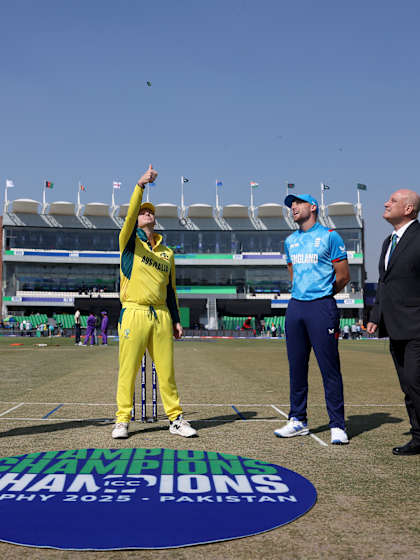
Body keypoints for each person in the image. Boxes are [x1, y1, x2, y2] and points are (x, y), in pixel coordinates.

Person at [112, 165, 197, 439]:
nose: (146, 213)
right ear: (136, 220)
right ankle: (122, 420)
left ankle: (175, 419)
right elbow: (128, 217)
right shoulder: (128, 243)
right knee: (128, 371)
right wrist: (140, 185)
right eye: (142, 211)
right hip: (133, 311)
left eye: (150, 211)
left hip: (160, 315)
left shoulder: (167, 253)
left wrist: (176, 319)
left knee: (167, 372)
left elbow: (171, 290)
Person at [274, 193, 350, 445]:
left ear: (313, 207)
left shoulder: (330, 236)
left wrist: (323, 295)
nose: (293, 207)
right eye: (290, 205)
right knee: (296, 367)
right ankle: (297, 419)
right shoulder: (289, 241)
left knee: (329, 368)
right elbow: (293, 274)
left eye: (298, 203)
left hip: (321, 307)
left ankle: (337, 424)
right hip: (295, 307)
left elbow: (343, 276)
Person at [367, 189, 420, 456]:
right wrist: (376, 316)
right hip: (395, 326)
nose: (386, 203)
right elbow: (384, 282)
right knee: (408, 386)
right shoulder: (389, 241)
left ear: (409, 208)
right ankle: (418, 437)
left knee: (415, 381)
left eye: (393, 201)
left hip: (417, 326)